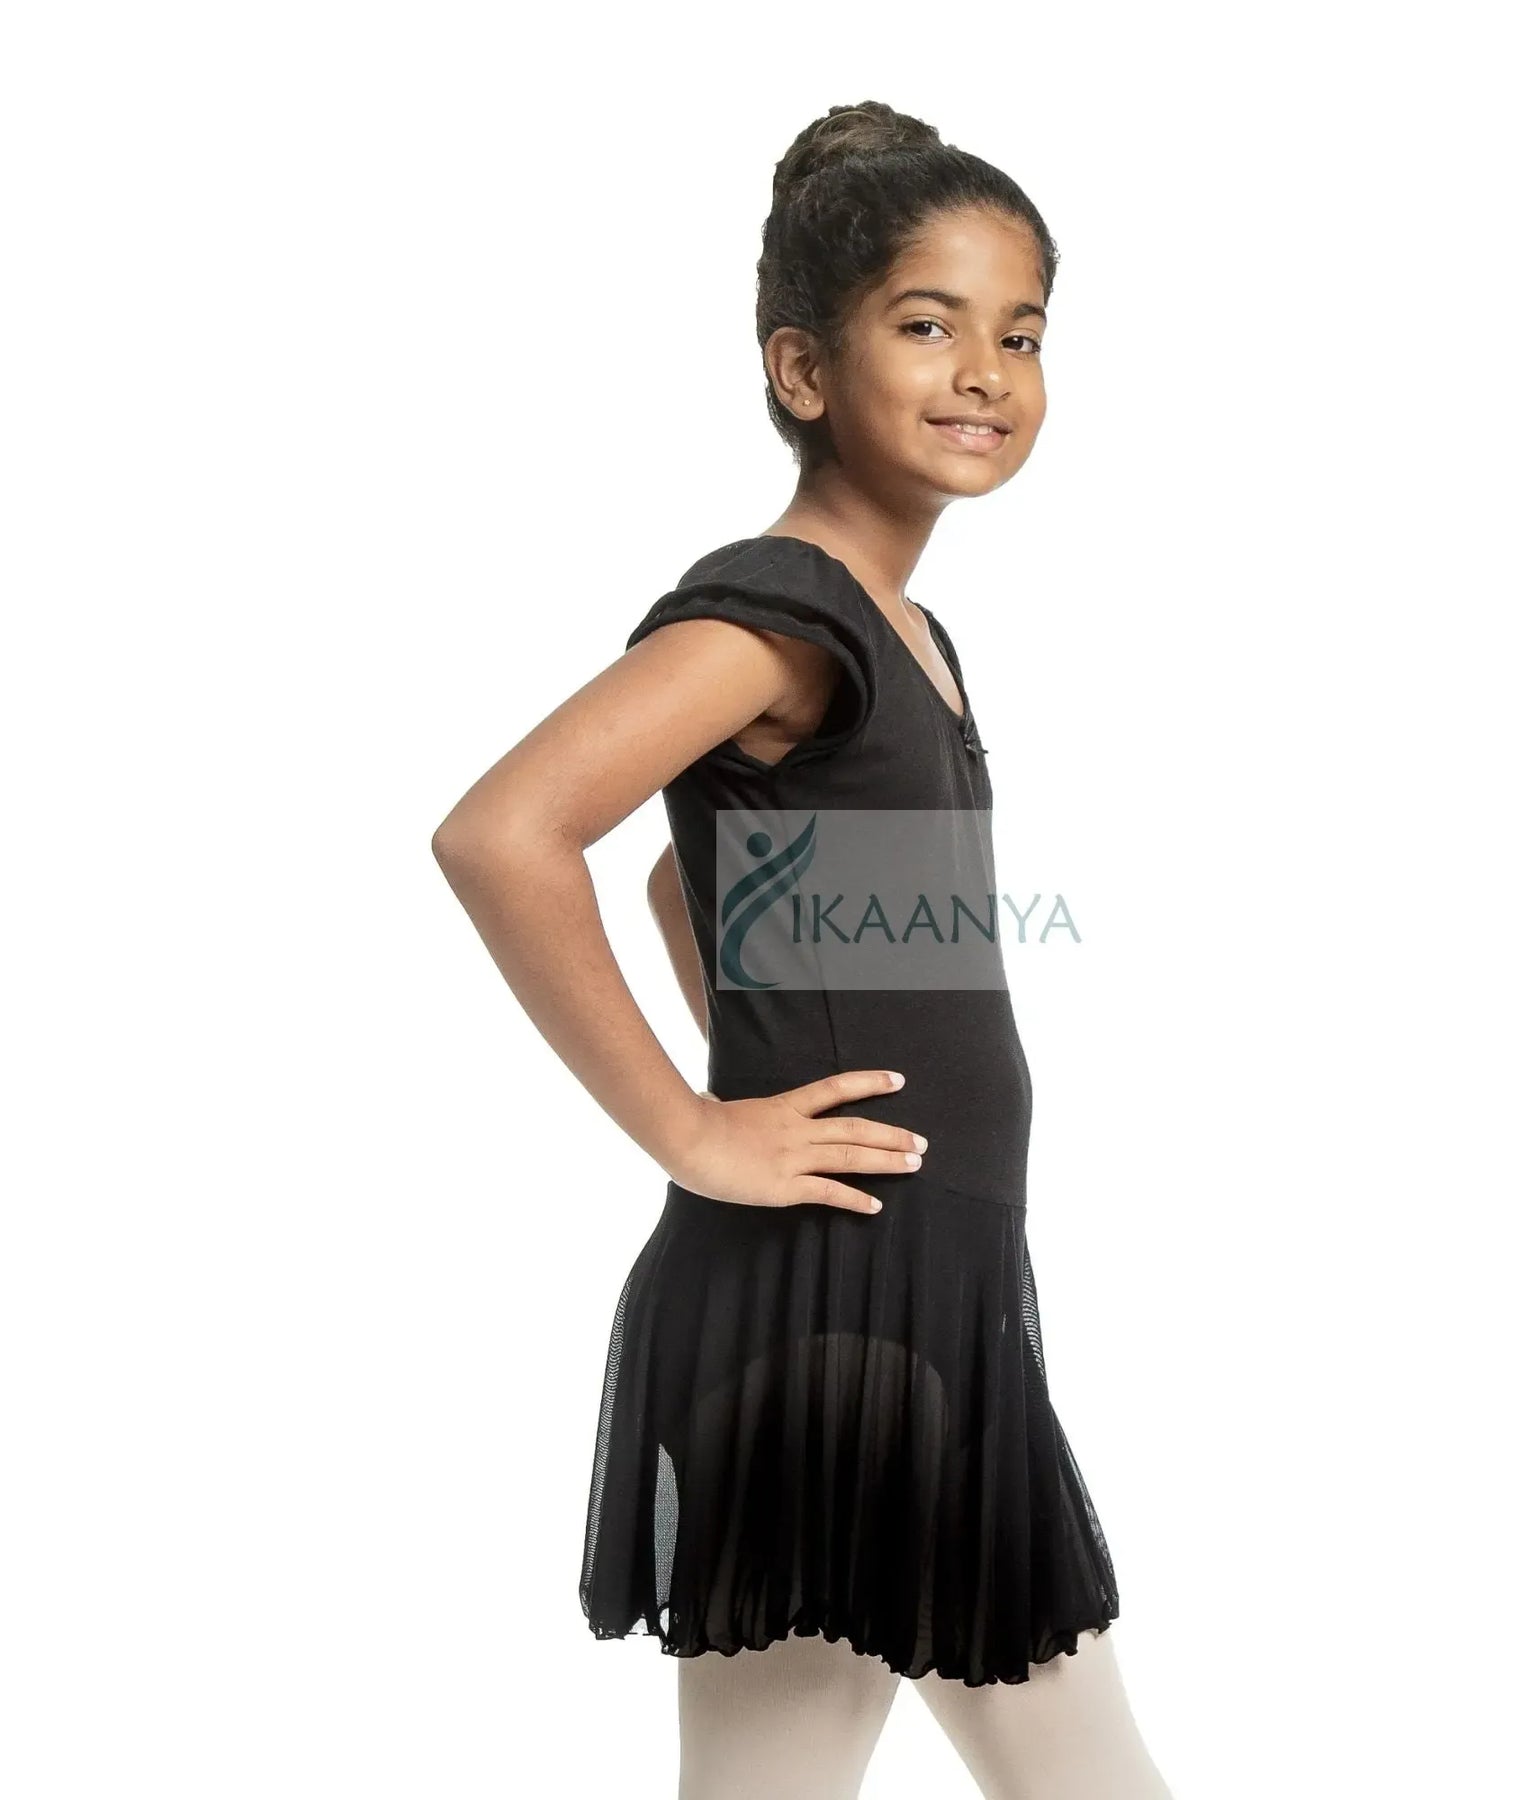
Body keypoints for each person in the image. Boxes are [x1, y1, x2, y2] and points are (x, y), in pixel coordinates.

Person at [432, 101, 1173, 1800]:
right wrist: (699, 1129)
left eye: (1022, 333)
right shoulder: (786, 610)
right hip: (835, 1305)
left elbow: (686, 884)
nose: (985, 371)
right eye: (927, 324)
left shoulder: (904, 630)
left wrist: (775, 1048)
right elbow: (504, 833)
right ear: (802, 367)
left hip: (911, 1284)